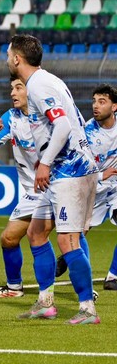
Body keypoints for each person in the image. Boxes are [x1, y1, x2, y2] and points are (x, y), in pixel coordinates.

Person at [6, 34, 99, 325]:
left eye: (8, 54)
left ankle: (87, 309)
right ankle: (46, 303)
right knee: (36, 233)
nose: (7, 59)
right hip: (64, 169)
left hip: (69, 171)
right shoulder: (45, 80)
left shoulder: (39, 85)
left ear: (17, 58)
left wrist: (44, 164)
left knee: (68, 240)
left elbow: (62, 126)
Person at [0, 77, 39, 298]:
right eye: (11, 89)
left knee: (68, 239)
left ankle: (84, 292)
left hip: (58, 186)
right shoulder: (11, 117)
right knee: (9, 238)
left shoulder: (47, 115)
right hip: (33, 193)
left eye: (18, 88)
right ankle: (14, 288)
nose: (13, 93)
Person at [80, 84, 117, 292]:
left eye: (102, 102)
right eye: (94, 101)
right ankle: (68, 259)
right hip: (95, 188)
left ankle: (113, 276)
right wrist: (101, 175)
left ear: (114, 107)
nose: (96, 106)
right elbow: (79, 166)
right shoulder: (87, 133)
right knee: (78, 234)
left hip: (116, 189)